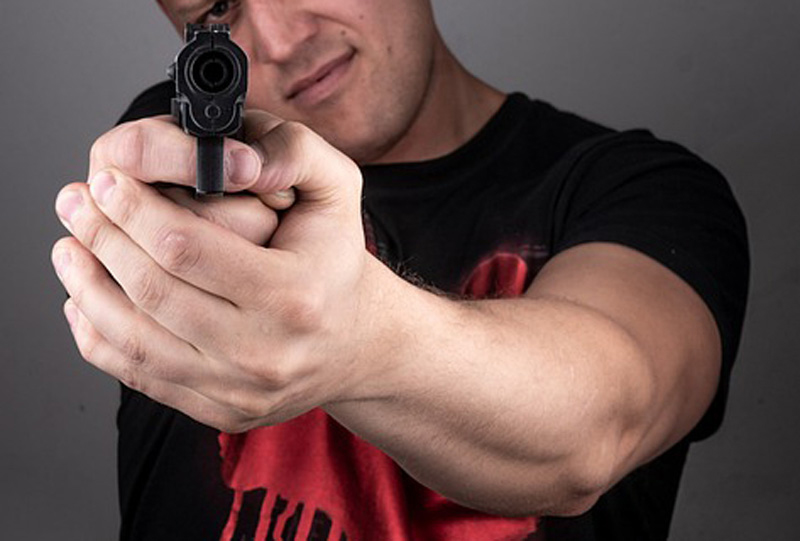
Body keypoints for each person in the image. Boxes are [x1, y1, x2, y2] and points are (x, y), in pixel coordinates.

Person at [51, 1, 749, 539]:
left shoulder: (651, 193)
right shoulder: (174, 149)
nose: (281, 40)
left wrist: (357, 337)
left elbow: (595, 426)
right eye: (216, 11)